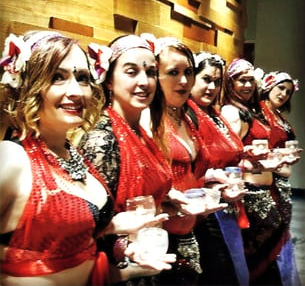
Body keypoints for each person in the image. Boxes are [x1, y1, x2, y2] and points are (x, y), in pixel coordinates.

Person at [0, 31, 173, 286]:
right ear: (28, 84)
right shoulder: (12, 158)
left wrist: (117, 237)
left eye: (82, 78)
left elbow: (73, 246)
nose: (76, 91)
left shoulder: (71, 153)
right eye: (57, 78)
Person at [79, 34, 176, 285]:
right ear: (109, 81)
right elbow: (93, 228)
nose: (145, 82)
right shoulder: (102, 139)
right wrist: (128, 256)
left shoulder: (141, 132)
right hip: (121, 270)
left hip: (149, 258)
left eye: (151, 72)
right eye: (131, 72)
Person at [151, 37, 228, 286]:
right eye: (174, 73)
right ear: (155, 75)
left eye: (188, 72)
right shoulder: (147, 119)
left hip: (192, 230)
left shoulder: (187, 117)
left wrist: (211, 180)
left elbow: (188, 172)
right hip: (161, 239)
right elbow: (143, 186)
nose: (184, 81)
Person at [220, 58, 300, 286]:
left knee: (268, 248)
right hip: (252, 192)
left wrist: (271, 160)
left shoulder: (249, 111)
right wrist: (263, 163)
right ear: (230, 83)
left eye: (250, 81)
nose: (247, 85)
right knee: (257, 253)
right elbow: (231, 157)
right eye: (241, 81)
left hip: (265, 188)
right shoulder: (233, 111)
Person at [187, 52, 249, 285]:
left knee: (230, 267)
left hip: (226, 202)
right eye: (206, 79)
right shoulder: (187, 116)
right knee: (219, 270)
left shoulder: (215, 114)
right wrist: (213, 175)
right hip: (204, 210)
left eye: (216, 81)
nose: (211, 87)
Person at [259, 70, 301, 286]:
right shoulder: (259, 114)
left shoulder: (280, 117)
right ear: (268, 86)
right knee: (266, 235)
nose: (284, 94)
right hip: (266, 184)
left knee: (280, 231)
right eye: (281, 88)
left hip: (282, 183)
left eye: (288, 91)